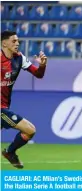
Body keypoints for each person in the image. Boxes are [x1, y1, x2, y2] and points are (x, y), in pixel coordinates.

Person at [1, 30, 47, 169]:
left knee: (29, 131)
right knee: (29, 129)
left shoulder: (19, 58)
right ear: (4, 43)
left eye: (18, 41)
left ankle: (10, 152)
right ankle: (10, 152)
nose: (17, 43)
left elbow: (38, 74)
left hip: (5, 106)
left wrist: (42, 65)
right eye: (14, 41)